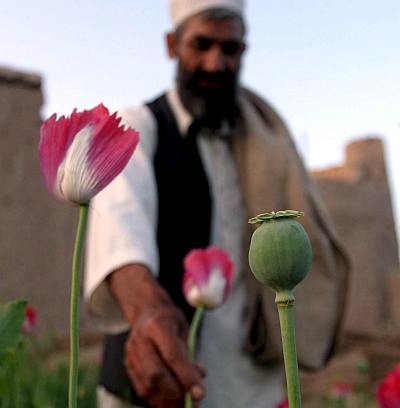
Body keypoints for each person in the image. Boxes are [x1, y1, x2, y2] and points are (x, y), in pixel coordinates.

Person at [84, 1, 349, 407]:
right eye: (201, 45)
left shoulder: (268, 141)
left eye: (230, 49)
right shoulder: (140, 126)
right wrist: (148, 311)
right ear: (172, 46)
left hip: (251, 379)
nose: (215, 62)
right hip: (161, 376)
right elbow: (120, 227)